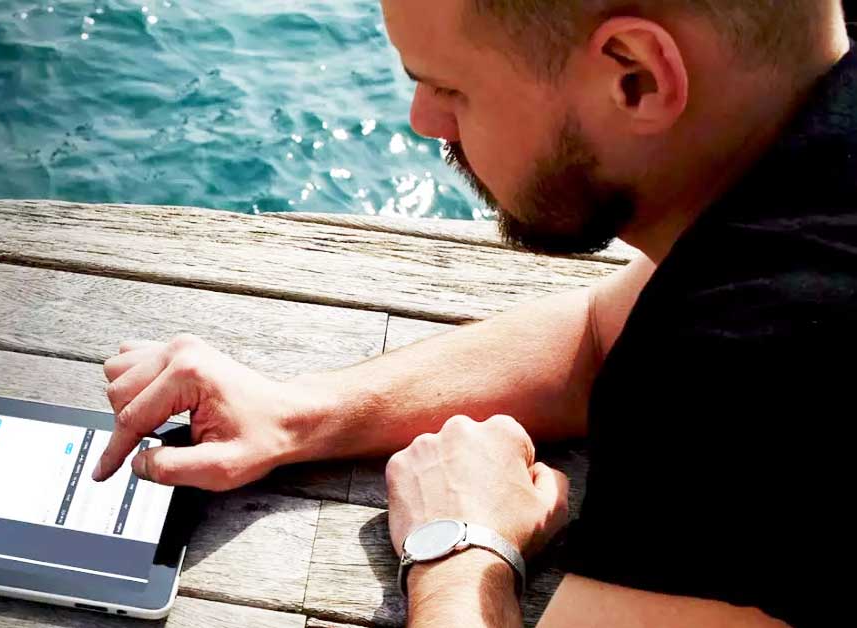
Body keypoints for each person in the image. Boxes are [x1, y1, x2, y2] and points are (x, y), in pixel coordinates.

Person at [92, 1, 856, 626]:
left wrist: (460, 546)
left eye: (449, 88)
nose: (423, 120)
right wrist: (295, 413)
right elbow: (600, 338)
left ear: (634, 78)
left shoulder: (767, 358)